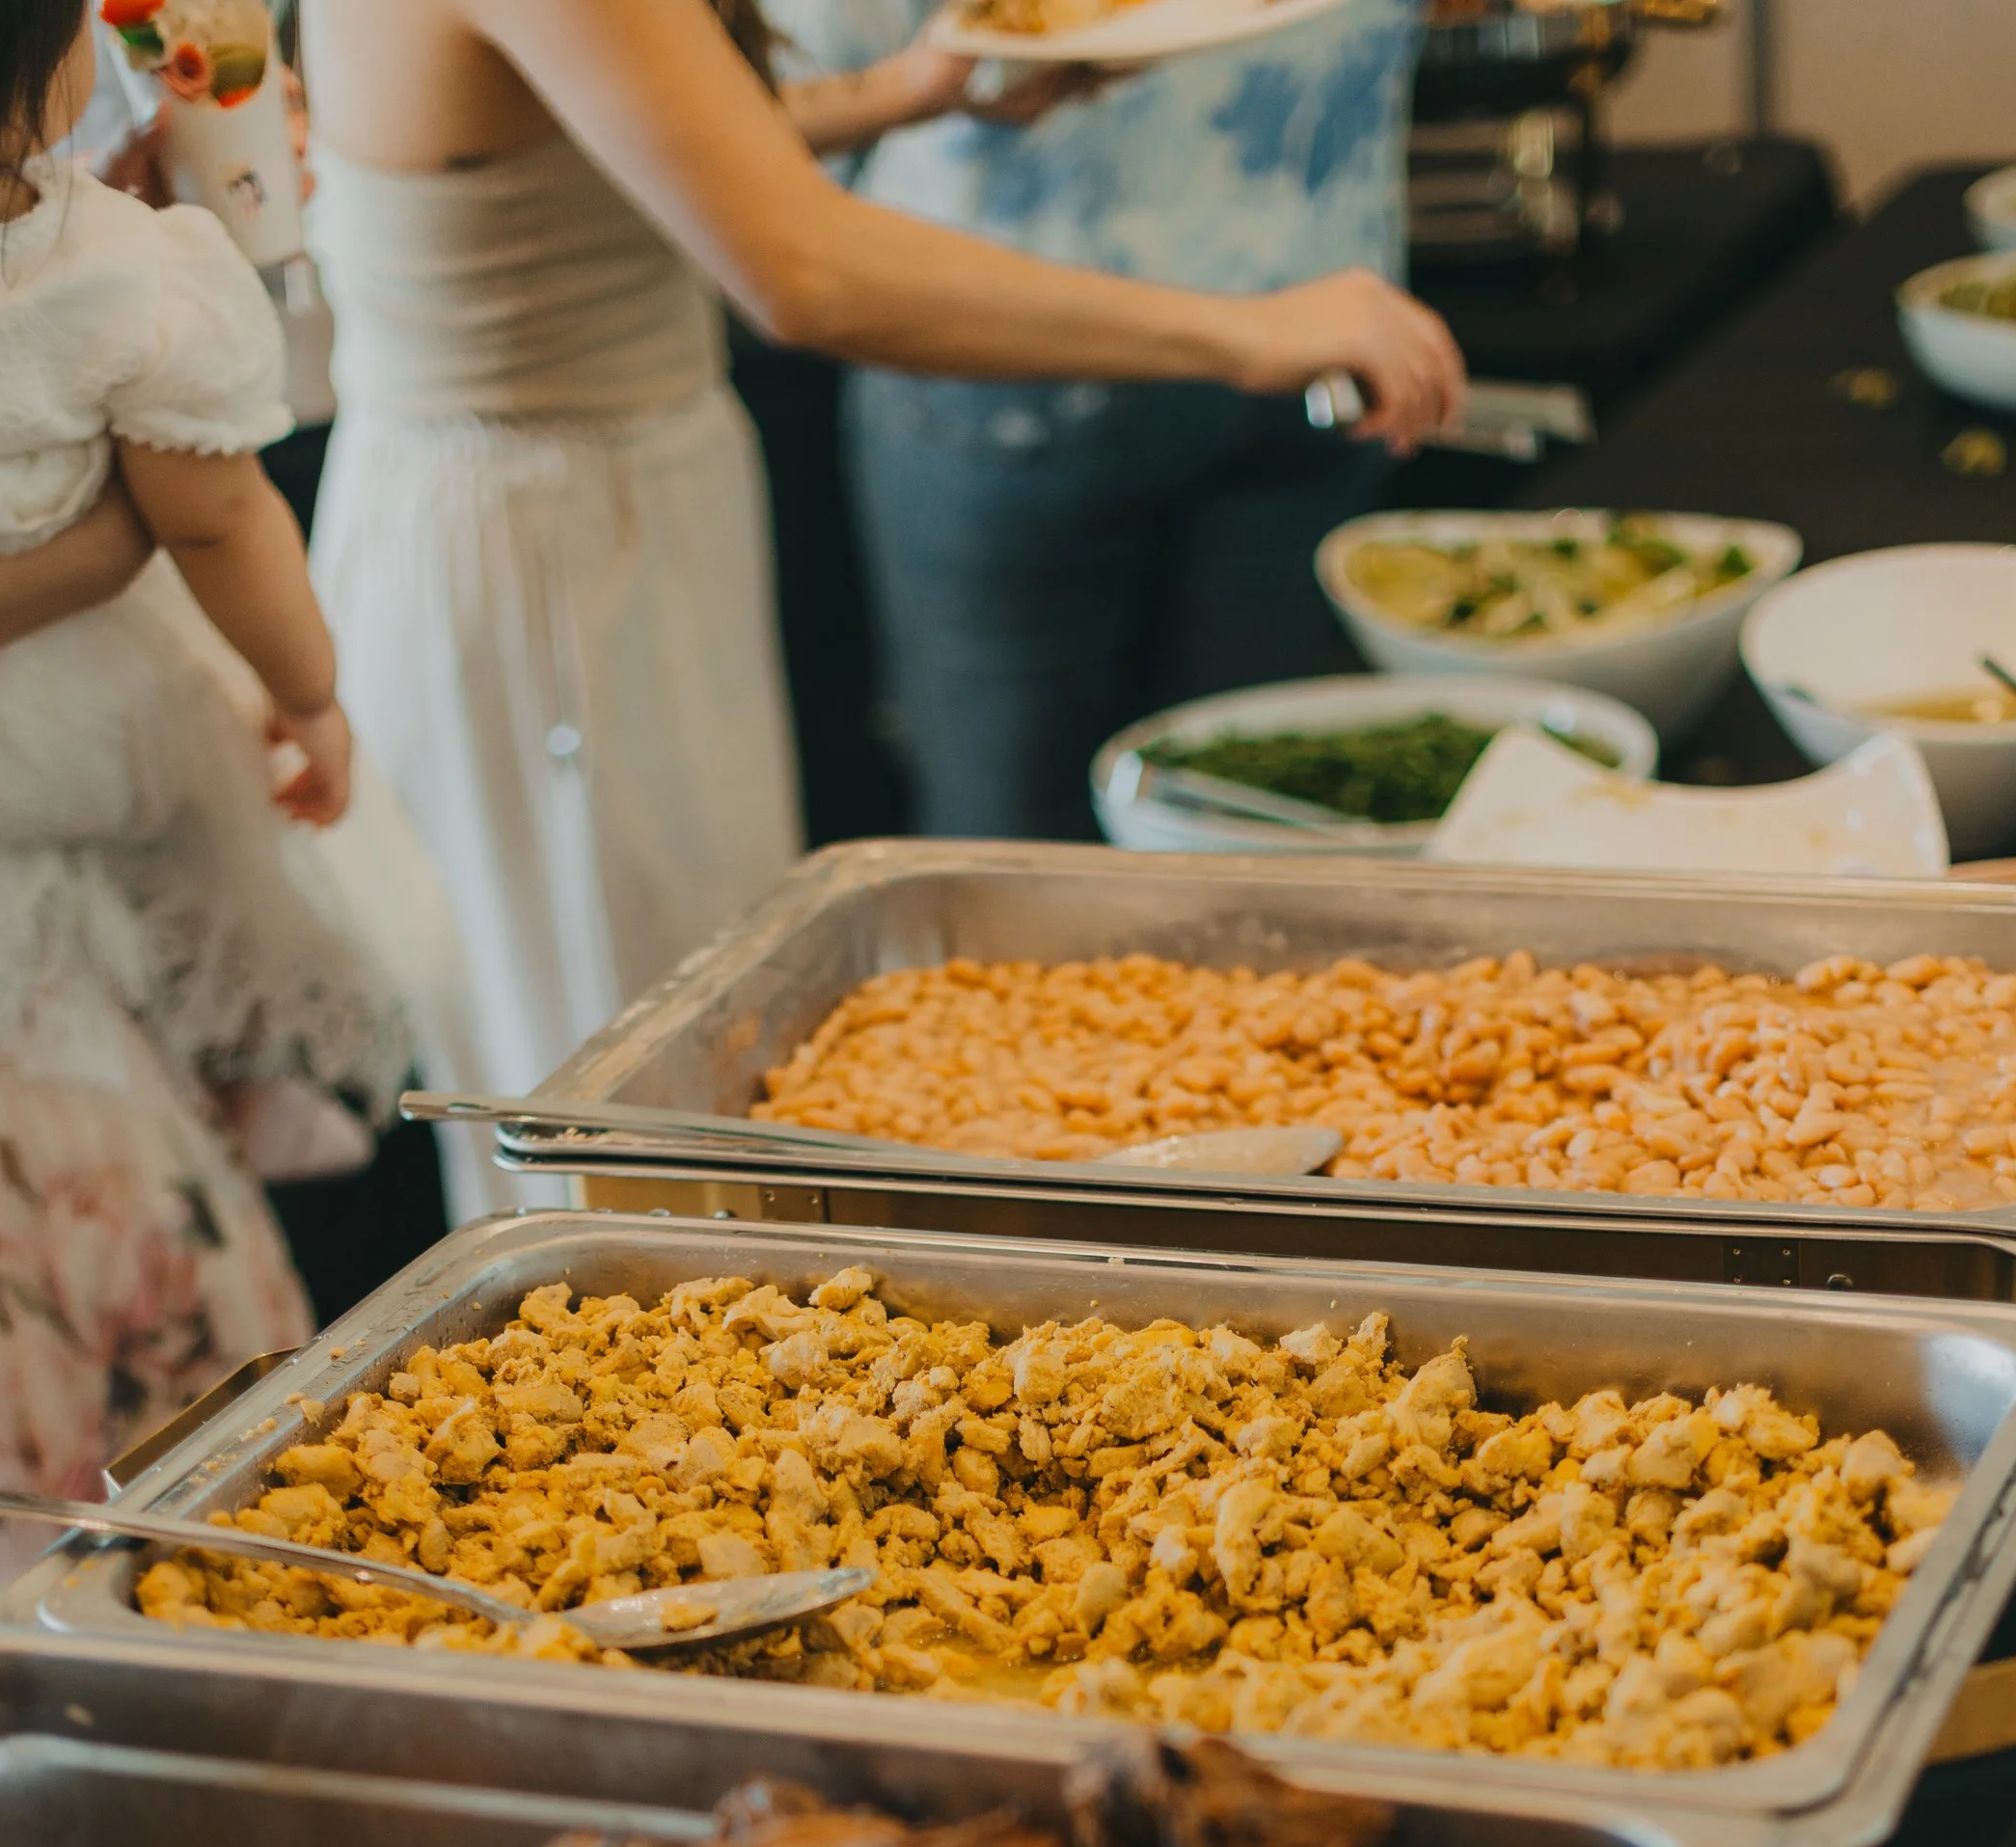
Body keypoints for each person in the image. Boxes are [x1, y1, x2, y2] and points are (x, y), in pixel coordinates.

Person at [298, 0, 1458, 1143]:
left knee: (687, 1044)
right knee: (636, 1076)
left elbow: (650, 127)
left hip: (608, 506)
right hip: (540, 552)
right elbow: (805, 270)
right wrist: (1249, 332)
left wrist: (911, 91)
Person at [0, 0, 413, 1593]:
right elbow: (220, 520)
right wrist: (314, 696)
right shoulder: (124, 277)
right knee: (176, 1375)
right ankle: (188, 1614)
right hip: (58, 842)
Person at [774, 0, 1432, 837]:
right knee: (1022, 859)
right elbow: (753, 142)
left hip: (1325, 334)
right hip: (1006, 357)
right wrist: (925, 83)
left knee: (1257, 832)